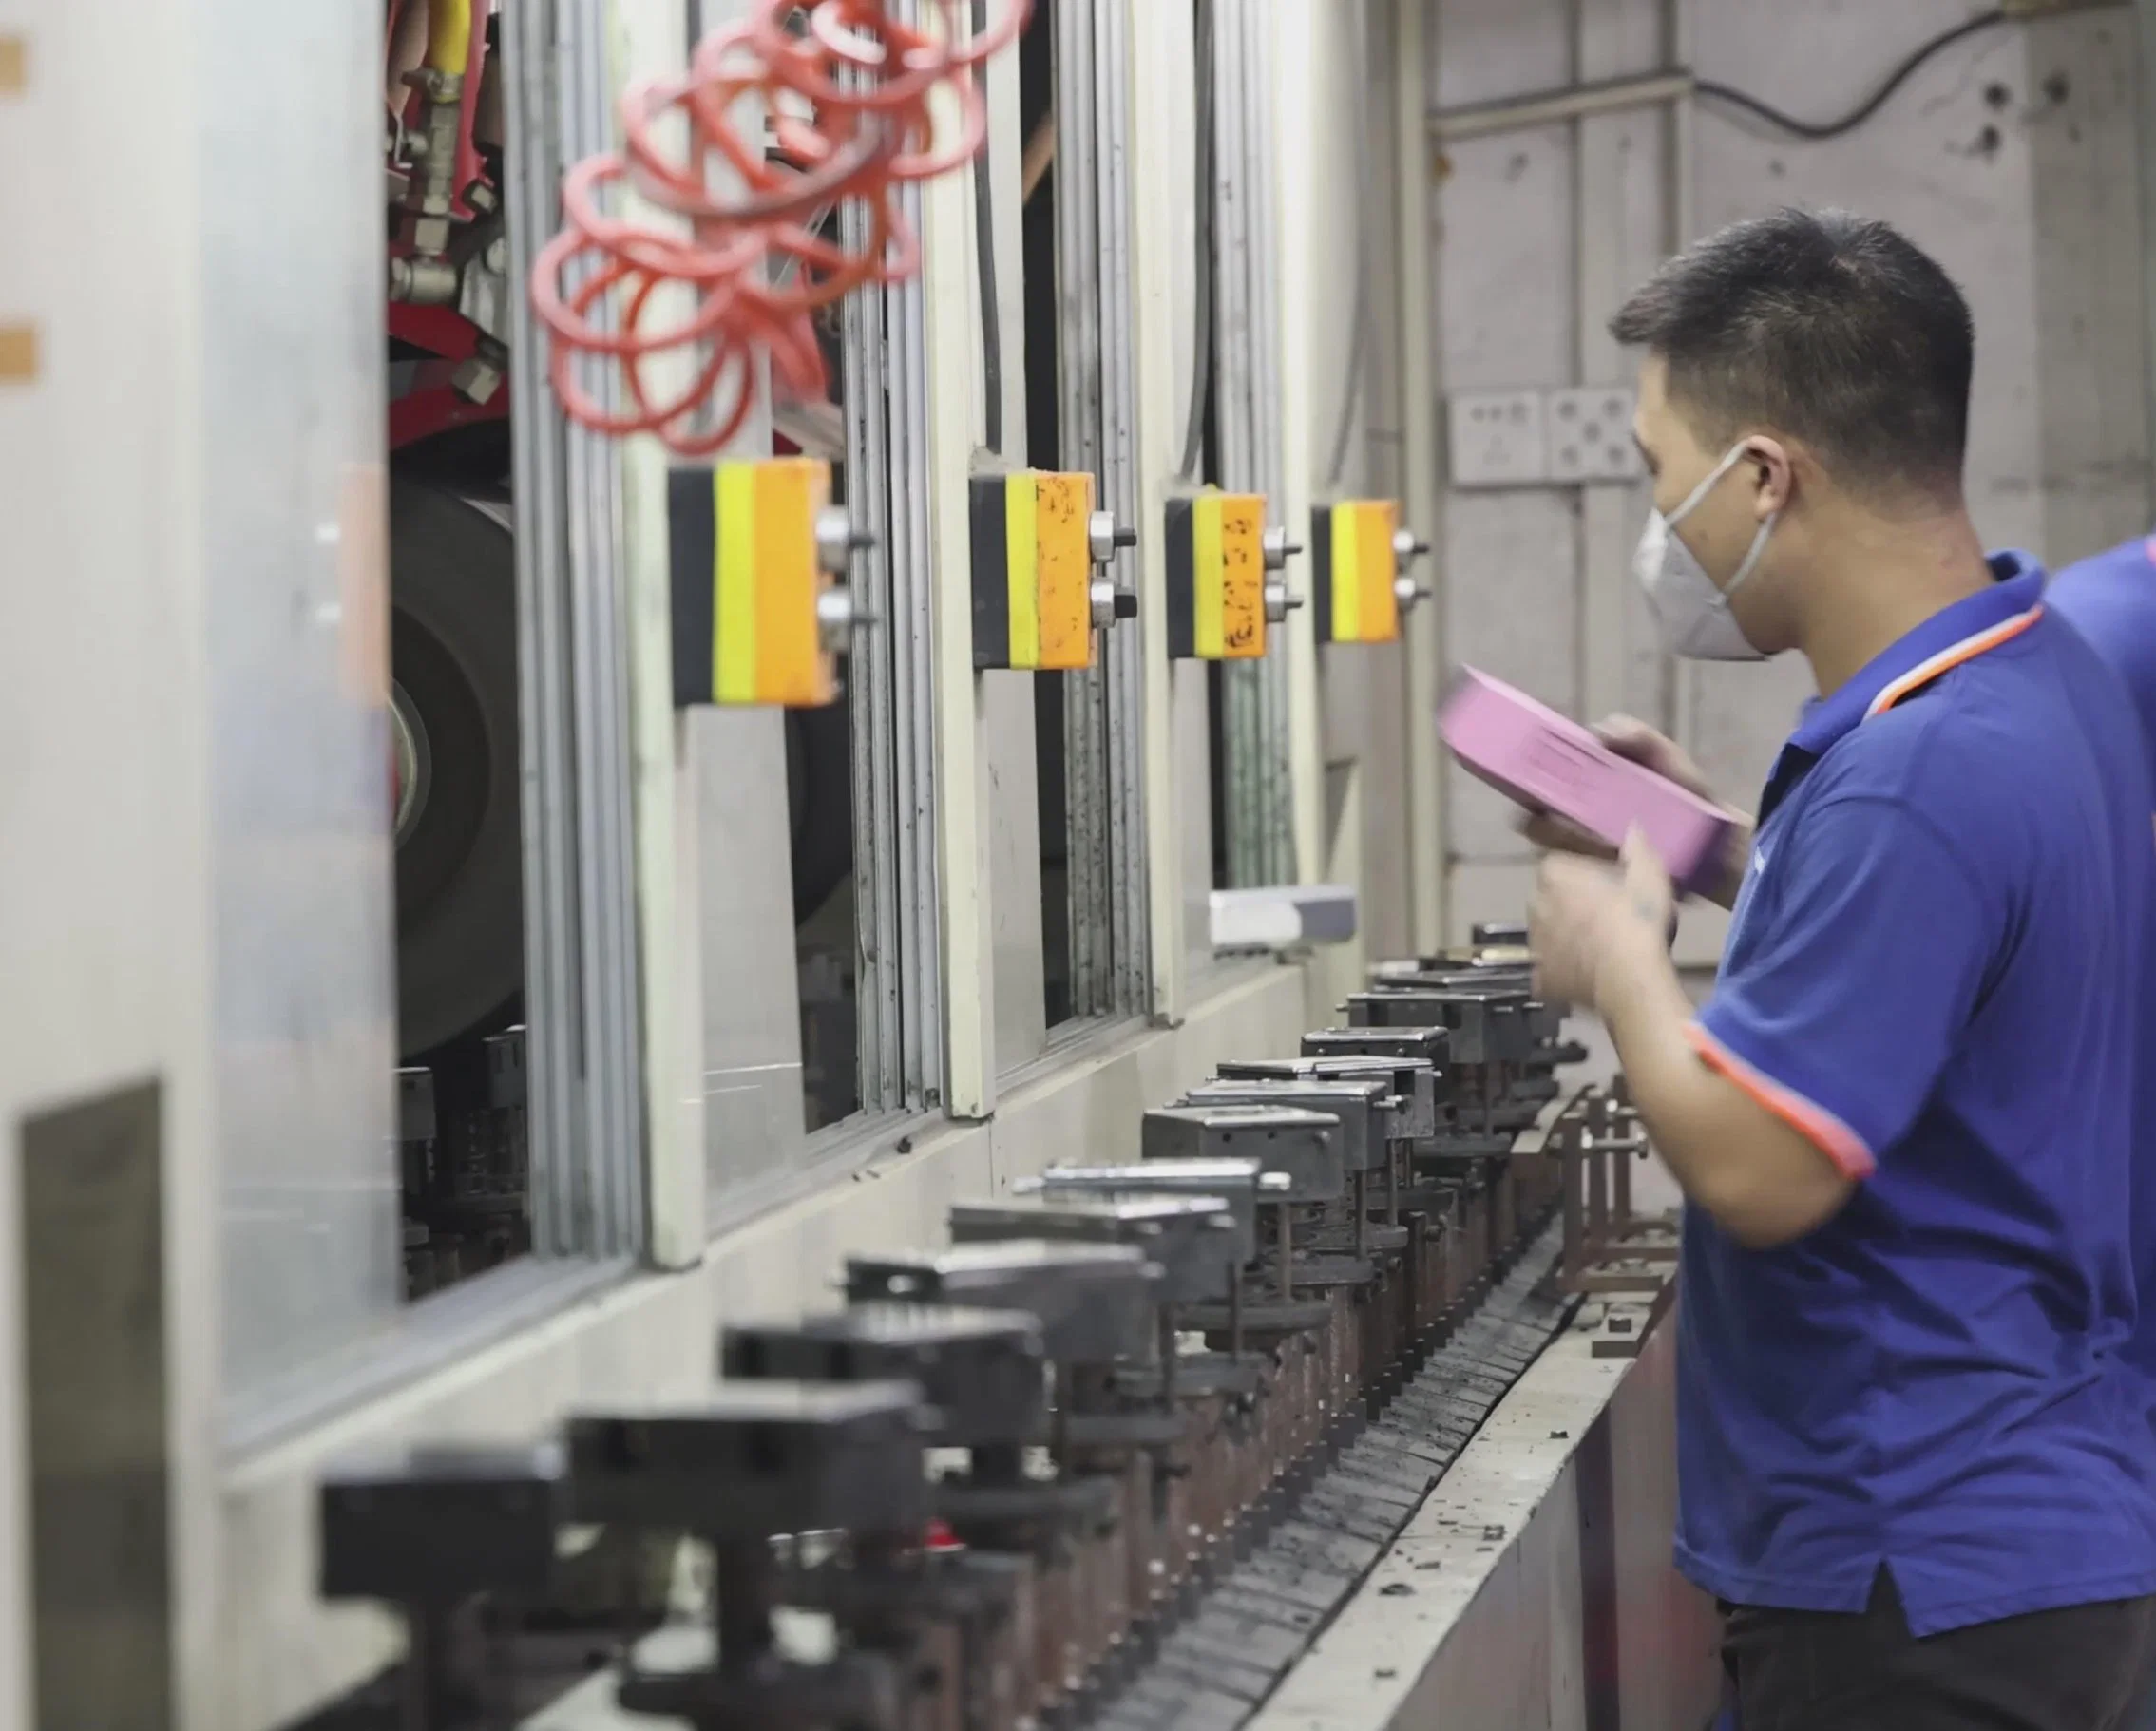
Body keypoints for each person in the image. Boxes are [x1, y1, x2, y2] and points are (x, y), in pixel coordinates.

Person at [1524, 207, 2156, 1729]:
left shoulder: (1913, 779)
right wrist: (1720, 850)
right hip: (2034, 1525)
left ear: (1761, 478)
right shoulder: (2041, 666)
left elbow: (1762, 1163)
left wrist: (1622, 965)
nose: (1659, 520)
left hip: (1922, 1564)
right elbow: (1971, 937)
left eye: (1657, 473)